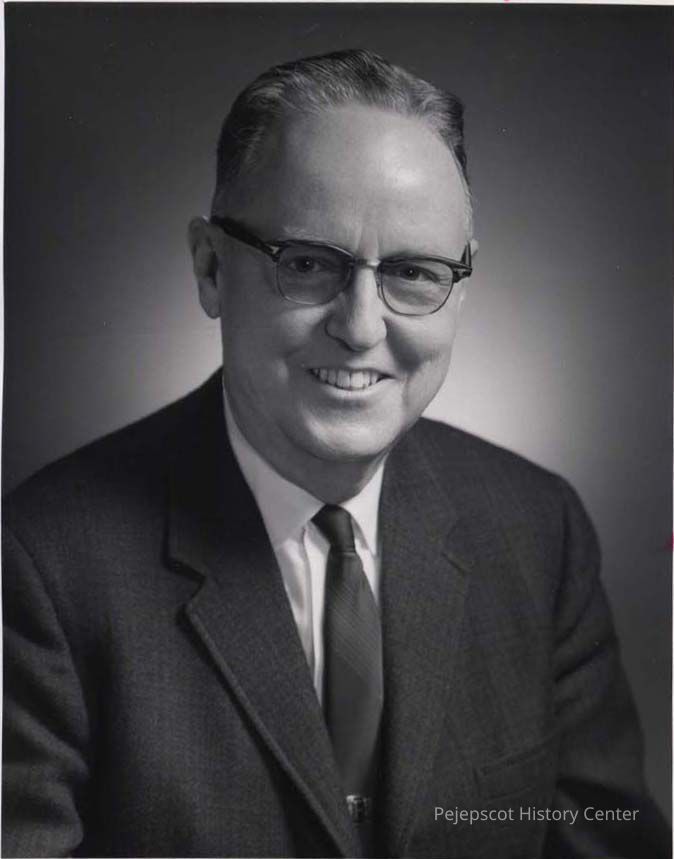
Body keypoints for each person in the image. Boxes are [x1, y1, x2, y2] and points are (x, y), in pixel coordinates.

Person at [2, 49, 669, 859]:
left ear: (459, 291)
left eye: (414, 272)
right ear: (211, 268)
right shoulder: (39, 564)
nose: (360, 326)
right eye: (309, 264)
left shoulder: (539, 527)